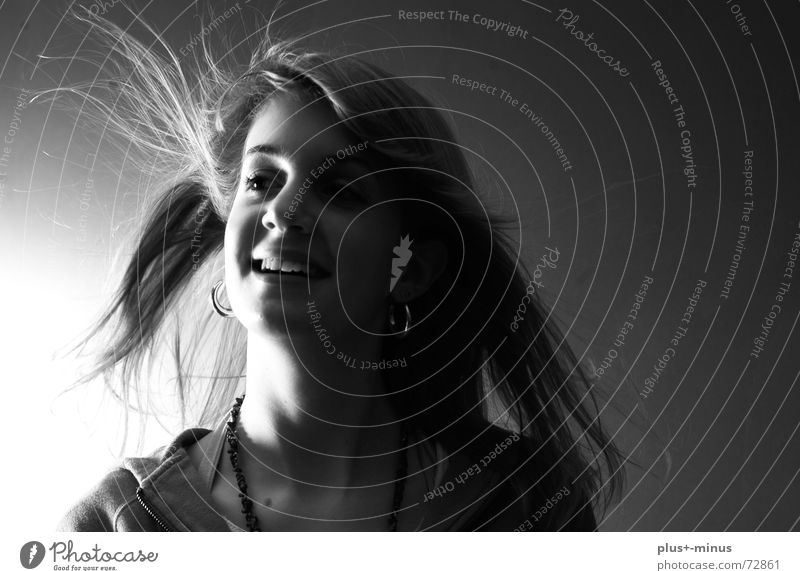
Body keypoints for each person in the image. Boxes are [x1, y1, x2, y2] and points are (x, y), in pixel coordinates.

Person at [54, 9, 623, 532]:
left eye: (339, 189)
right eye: (261, 181)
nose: (282, 211)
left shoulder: (527, 506)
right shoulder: (111, 526)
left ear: (413, 267)